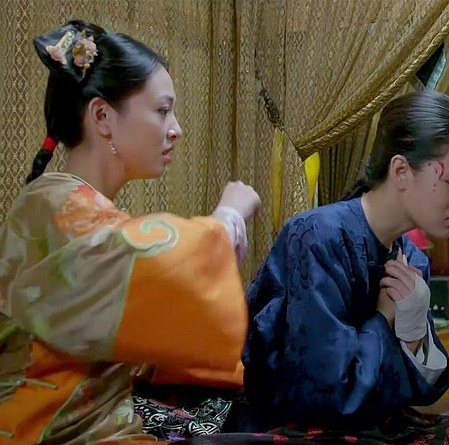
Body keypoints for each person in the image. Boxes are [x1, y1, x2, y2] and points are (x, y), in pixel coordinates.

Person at [0, 20, 260, 444]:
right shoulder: (52, 205)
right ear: (102, 117)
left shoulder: (78, 207)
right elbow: (148, 267)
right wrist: (225, 219)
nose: (175, 128)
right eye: (162, 110)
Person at [230, 90, 449, 436]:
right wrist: (383, 320)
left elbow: (424, 391)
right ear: (401, 170)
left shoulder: (411, 260)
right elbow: (327, 395)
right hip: (292, 431)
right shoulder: (316, 237)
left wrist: (414, 333)